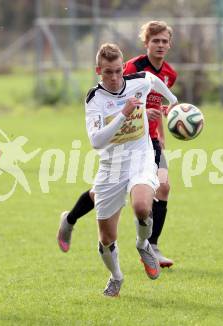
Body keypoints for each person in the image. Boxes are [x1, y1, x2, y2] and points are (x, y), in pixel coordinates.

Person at [57, 21, 177, 267]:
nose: (161, 45)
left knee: (160, 188)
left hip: (147, 142)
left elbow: (150, 102)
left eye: (165, 41)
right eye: (156, 41)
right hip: (117, 148)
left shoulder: (169, 74)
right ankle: (70, 219)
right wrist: (132, 113)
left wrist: (166, 119)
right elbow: (128, 103)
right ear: (146, 43)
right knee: (99, 193)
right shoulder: (129, 69)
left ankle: (150, 246)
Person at [82, 43, 178, 296]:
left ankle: (143, 243)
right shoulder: (95, 99)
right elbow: (96, 141)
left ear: (122, 67)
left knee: (142, 206)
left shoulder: (139, 81)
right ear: (97, 71)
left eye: (117, 71)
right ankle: (116, 276)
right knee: (106, 238)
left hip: (141, 156)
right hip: (111, 166)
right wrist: (123, 115)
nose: (114, 78)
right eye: (107, 73)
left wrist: (174, 103)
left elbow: (154, 81)